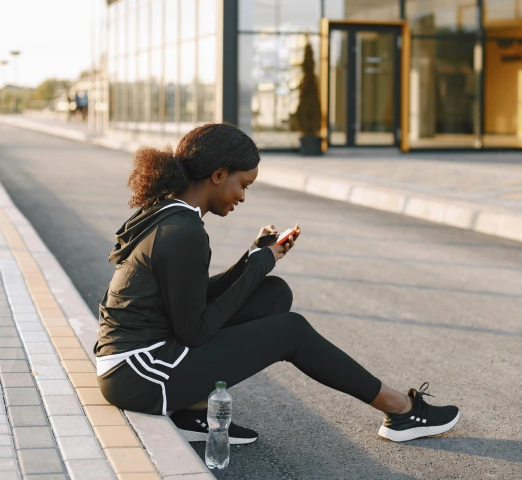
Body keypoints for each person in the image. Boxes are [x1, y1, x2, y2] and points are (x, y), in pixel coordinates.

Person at [94, 123, 459, 445]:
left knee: (272, 294)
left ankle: (193, 413)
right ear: (219, 174)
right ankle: (402, 411)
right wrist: (259, 264)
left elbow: (188, 297)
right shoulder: (184, 232)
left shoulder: (170, 213)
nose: (242, 197)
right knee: (291, 331)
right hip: (140, 376)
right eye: (243, 184)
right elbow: (195, 330)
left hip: (140, 362)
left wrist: (254, 258)